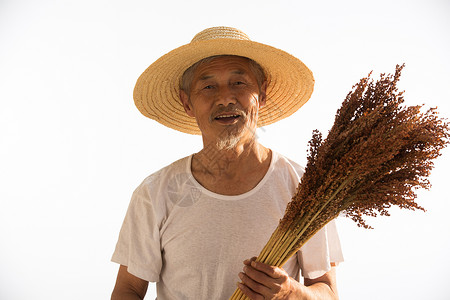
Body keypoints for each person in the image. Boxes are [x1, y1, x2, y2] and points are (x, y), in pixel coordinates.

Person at [111, 26, 344, 300]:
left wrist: (290, 292)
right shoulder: (155, 193)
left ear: (263, 93)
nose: (225, 98)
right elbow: (128, 290)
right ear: (187, 103)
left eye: (239, 83)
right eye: (208, 86)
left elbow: (327, 291)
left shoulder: (306, 189)